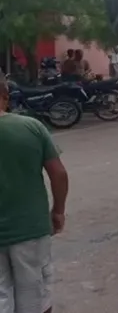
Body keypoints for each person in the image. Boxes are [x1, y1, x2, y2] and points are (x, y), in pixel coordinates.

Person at [0, 73, 69, 313]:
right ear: (5, 96)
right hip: (30, 228)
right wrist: (58, 211)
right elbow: (58, 174)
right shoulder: (31, 126)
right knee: (34, 291)